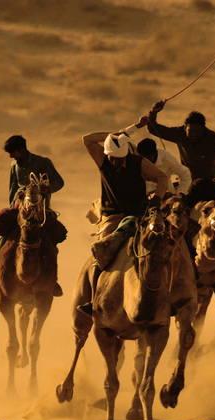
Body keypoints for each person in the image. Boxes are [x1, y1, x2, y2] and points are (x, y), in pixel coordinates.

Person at [147, 102, 215, 284]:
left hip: (213, 187)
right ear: (185, 128)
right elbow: (154, 129)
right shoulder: (179, 133)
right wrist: (153, 112)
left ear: (203, 130)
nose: (193, 135)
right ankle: (169, 260)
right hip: (190, 186)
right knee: (173, 218)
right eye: (190, 131)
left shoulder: (212, 138)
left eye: (197, 131)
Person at [75, 124, 170, 316]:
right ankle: (94, 300)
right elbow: (87, 138)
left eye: (120, 159)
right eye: (113, 158)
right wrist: (110, 135)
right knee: (101, 251)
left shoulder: (138, 162)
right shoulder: (102, 159)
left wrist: (158, 198)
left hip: (139, 215)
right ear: (107, 154)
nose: (116, 162)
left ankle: (167, 298)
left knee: (162, 247)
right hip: (112, 216)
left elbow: (162, 177)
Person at [0, 135, 66, 296]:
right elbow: (12, 189)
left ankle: (52, 279)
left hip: (41, 209)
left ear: (22, 150)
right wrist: (13, 208)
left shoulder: (43, 162)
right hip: (20, 207)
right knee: (1, 232)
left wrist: (46, 188)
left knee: (52, 240)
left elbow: (59, 182)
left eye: (13, 152)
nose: (11, 156)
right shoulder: (14, 165)